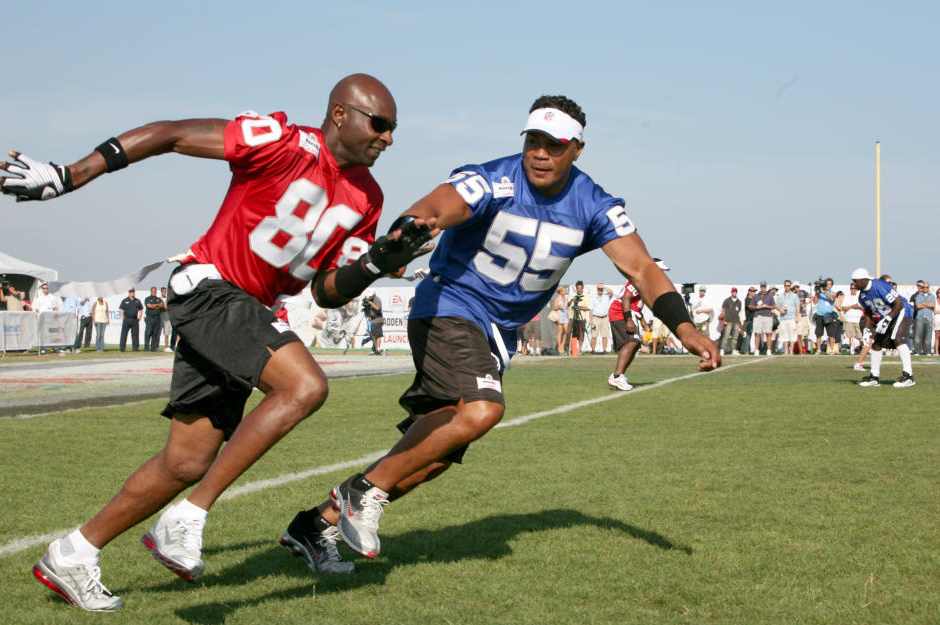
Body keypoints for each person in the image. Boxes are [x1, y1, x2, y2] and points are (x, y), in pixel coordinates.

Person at [0, 74, 428, 611]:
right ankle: (190, 514)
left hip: (245, 313)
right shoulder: (283, 141)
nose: (388, 138)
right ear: (340, 114)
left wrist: (374, 265)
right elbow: (172, 134)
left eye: (393, 130)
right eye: (379, 125)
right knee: (305, 387)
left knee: (185, 461)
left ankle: (74, 553)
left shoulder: (368, 196)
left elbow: (326, 291)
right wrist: (72, 173)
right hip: (210, 287)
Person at [281, 94, 720, 567]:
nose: (541, 153)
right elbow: (441, 203)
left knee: (434, 457)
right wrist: (415, 225)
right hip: (451, 305)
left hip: (496, 332)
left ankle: (314, 524)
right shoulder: (497, 179)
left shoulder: (593, 203)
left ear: (577, 149)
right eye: (534, 140)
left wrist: (684, 326)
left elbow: (642, 268)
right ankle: (361, 492)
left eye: (555, 144)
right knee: (483, 409)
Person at [608, 258, 669, 390]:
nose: (663, 274)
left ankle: (619, 375)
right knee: (632, 342)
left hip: (628, 313)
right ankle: (617, 376)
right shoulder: (640, 279)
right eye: (661, 271)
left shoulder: (647, 282)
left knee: (635, 345)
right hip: (620, 312)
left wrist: (642, 321)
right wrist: (629, 319)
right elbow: (625, 298)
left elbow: (637, 304)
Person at [852, 268, 915, 388]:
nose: (854, 284)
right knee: (876, 345)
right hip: (888, 316)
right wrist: (866, 330)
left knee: (899, 340)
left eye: (856, 281)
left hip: (902, 312)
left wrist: (888, 318)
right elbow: (869, 312)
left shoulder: (879, 286)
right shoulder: (862, 296)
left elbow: (899, 303)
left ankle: (909, 376)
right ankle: (874, 377)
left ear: (864, 280)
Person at [749, 281, 776, 355]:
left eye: (764, 287)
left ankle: (769, 350)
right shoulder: (756, 296)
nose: (763, 288)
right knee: (757, 333)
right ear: (760, 287)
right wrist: (757, 307)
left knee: (768, 333)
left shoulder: (770, 295)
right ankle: (757, 350)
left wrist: (767, 306)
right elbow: (750, 306)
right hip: (758, 316)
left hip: (767, 316)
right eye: (761, 287)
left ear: (766, 287)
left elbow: (774, 306)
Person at [813, 278, 838, 354]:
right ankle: (819, 350)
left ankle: (831, 350)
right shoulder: (820, 293)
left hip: (829, 315)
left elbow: (832, 299)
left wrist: (824, 293)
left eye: (830, 284)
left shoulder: (833, 293)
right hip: (820, 315)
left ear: (832, 285)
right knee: (818, 333)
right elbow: (815, 302)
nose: (828, 285)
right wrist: (817, 293)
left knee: (831, 334)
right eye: (827, 284)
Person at [775, 280, 800, 355]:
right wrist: (781, 310)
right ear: (784, 286)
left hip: (792, 318)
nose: (787, 287)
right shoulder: (780, 296)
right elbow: (777, 306)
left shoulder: (794, 296)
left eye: (788, 285)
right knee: (784, 335)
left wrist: (797, 316)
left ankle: (791, 351)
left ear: (790, 286)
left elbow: (798, 306)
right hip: (783, 318)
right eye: (786, 285)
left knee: (792, 335)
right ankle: (786, 351)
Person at [911, 281, 935, 355]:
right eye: (923, 287)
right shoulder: (918, 296)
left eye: (926, 287)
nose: (925, 288)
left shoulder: (932, 296)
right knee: (918, 336)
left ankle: (927, 351)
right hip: (920, 318)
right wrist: (927, 304)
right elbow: (918, 306)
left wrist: (923, 304)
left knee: (928, 336)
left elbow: (932, 305)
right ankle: (918, 351)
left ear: (929, 288)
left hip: (929, 318)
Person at [588, 283, 613, 352]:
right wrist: (591, 319)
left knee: (604, 335)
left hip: (604, 318)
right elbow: (591, 309)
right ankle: (593, 350)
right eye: (599, 289)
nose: (600, 290)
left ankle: (604, 350)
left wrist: (604, 286)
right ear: (597, 289)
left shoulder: (606, 296)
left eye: (601, 289)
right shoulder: (593, 297)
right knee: (594, 335)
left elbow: (611, 292)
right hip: (595, 318)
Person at [718, 287, 742, 355]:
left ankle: (733, 350)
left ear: (736, 292)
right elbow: (723, 311)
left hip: (736, 321)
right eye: (733, 291)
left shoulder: (739, 302)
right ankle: (722, 349)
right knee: (726, 335)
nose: (734, 292)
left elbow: (738, 311)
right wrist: (722, 317)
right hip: (728, 321)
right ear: (731, 292)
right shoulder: (727, 300)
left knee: (735, 336)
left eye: (735, 291)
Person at [566, 280, 590, 352]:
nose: (579, 290)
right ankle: (573, 349)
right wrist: (572, 300)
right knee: (571, 332)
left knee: (581, 333)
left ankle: (579, 349)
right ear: (576, 288)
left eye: (580, 288)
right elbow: (568, 305)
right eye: (578, 288)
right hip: (572, 316)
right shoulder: (573, 295)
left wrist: (579, 307)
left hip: (581, 317)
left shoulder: (586, 296)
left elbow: (587, 308)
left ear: (583, 288)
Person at [143, 286, 165, 352]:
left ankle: (153, 348)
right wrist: (157, 306)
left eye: (155, 291)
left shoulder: (159, 299)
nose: (154, 292)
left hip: (157, 318)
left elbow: (162, 305)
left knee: (155, 334)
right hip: (150, 318)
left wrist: (154, 306)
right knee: (148, 333)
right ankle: (146, 348)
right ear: (151, 291)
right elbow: (149, 306)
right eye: (153, 291)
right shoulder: (147, 299)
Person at [553, 285, 569, 354]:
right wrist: (559, 305)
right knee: (560, 332)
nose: (565, 292)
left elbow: (567, 308)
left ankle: (562, 345)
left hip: (565, 316)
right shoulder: (557, 299)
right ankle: (560, 347)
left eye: (566, 291)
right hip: (559, 316)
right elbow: (554, 308)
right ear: (560, 292)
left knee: (567, 331)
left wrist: (569, 316)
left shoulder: (566, 299)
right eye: (564, 291)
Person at [159, 287, 175, 352]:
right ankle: (156, 346)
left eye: (165, 291)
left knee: (167, 332)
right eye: (163, 291)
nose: (164, 292)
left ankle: (166, 346)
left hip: (167, 318)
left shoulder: (168, 299)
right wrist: (163, 308)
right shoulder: (159, 299)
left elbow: (170, 308)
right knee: (158, 332)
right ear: (161, 292)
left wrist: (164, 308)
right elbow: (161, 308)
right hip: (160, 317)